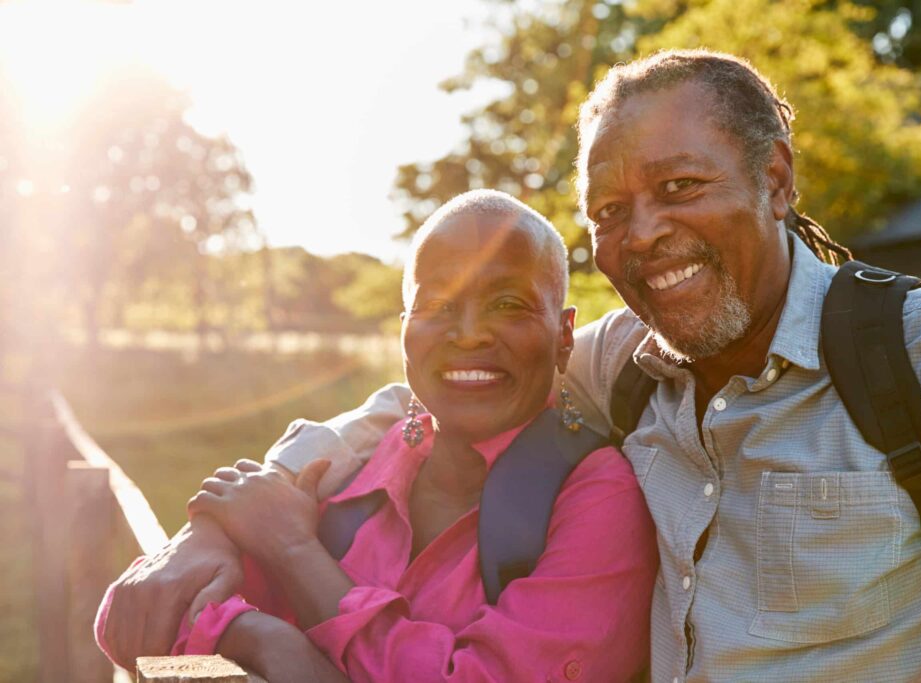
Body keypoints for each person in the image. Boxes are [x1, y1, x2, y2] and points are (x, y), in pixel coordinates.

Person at [101, 50, 921, 681]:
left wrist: (284, 562)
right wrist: (212, 533)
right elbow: (423, 394)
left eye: (680, 188)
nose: (647, 232)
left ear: (777, 180)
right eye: (611, 211)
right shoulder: (632, 358)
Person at [96, 190, 657, 681]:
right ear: (404, 330)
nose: (467, 334)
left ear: (563, 336)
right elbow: (128, 618)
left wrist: (293, 559)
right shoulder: (357, 462)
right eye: (437, 305)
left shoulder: (598, 497)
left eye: (508, 304)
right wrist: (257, 635)